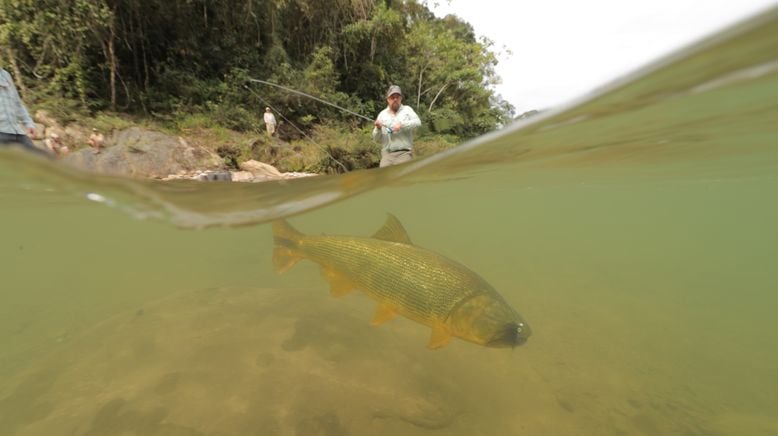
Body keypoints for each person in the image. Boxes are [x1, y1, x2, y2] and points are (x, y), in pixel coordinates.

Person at [372, 85, 421, 167]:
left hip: (404, 153)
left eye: (397, 97)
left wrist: (402, 125)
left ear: (401, 98)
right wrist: (378, 128)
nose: (395, 99)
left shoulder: (407, 110)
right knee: (384, 177)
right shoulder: (382, 114)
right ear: (388, 99)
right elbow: (376, 139)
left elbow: (418, 122)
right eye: (392, 97)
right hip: (387, 154)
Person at [0, 67, 44, 155]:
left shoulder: (6, 75)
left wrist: (29, 123)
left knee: (38, 158)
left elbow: (17, 103)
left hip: (16, 132)